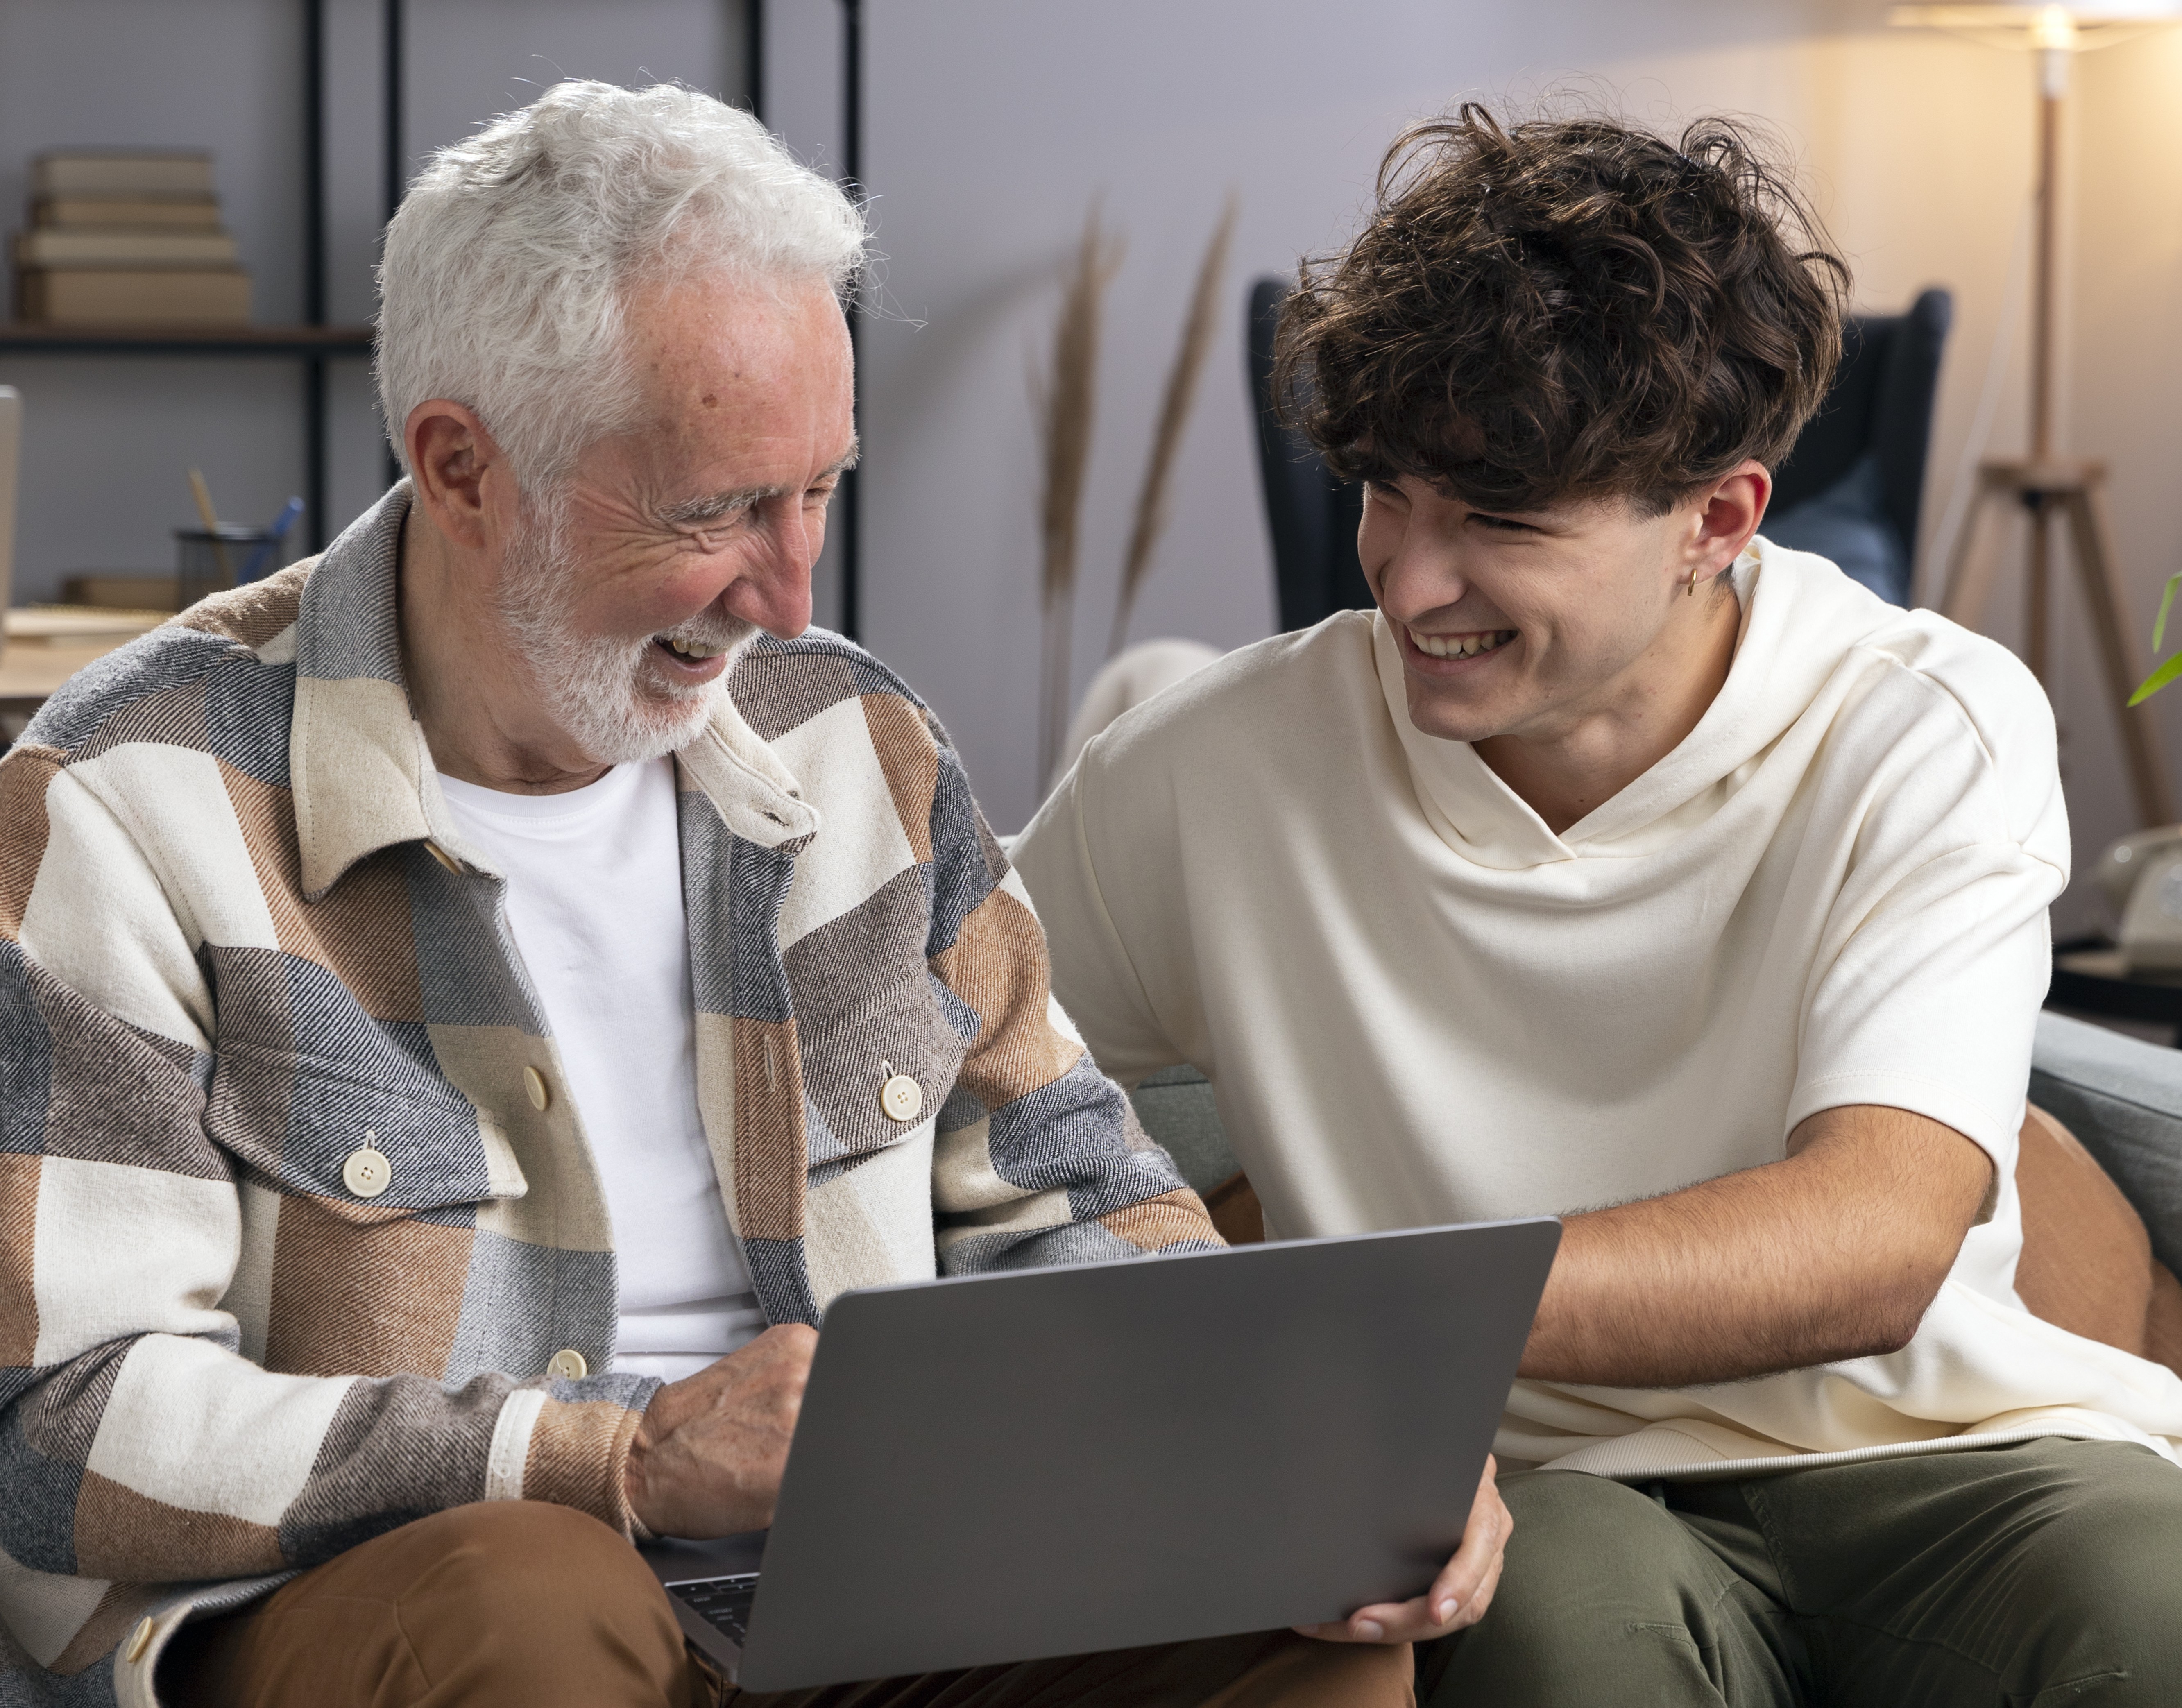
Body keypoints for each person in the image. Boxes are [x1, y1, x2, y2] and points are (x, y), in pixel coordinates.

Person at [0, 83, 1432, 1708]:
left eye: (820, 487)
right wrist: (613, 1458)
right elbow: (57, 1423)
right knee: (534, 1592)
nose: (792, 590)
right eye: (718, 509)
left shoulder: (857, 739)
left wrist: (1303, 1453)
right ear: (463, 471)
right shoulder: (129, 799)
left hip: (857, 1591)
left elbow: (1075, 1197)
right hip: (417, 1605)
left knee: (1312, 1603)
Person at [1013, 106, 2182, 1707]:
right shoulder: (1214, 764)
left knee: (2154, 1598)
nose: (1407, 580)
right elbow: (926, 1067)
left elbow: (1876, 1238)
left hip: (1948, 1448)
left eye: (1499, 520)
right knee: (1565, 1642)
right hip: (1530, 1489)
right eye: (1386, 491)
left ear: (1719, 519)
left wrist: (1350, 1309)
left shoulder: (1926, 724)